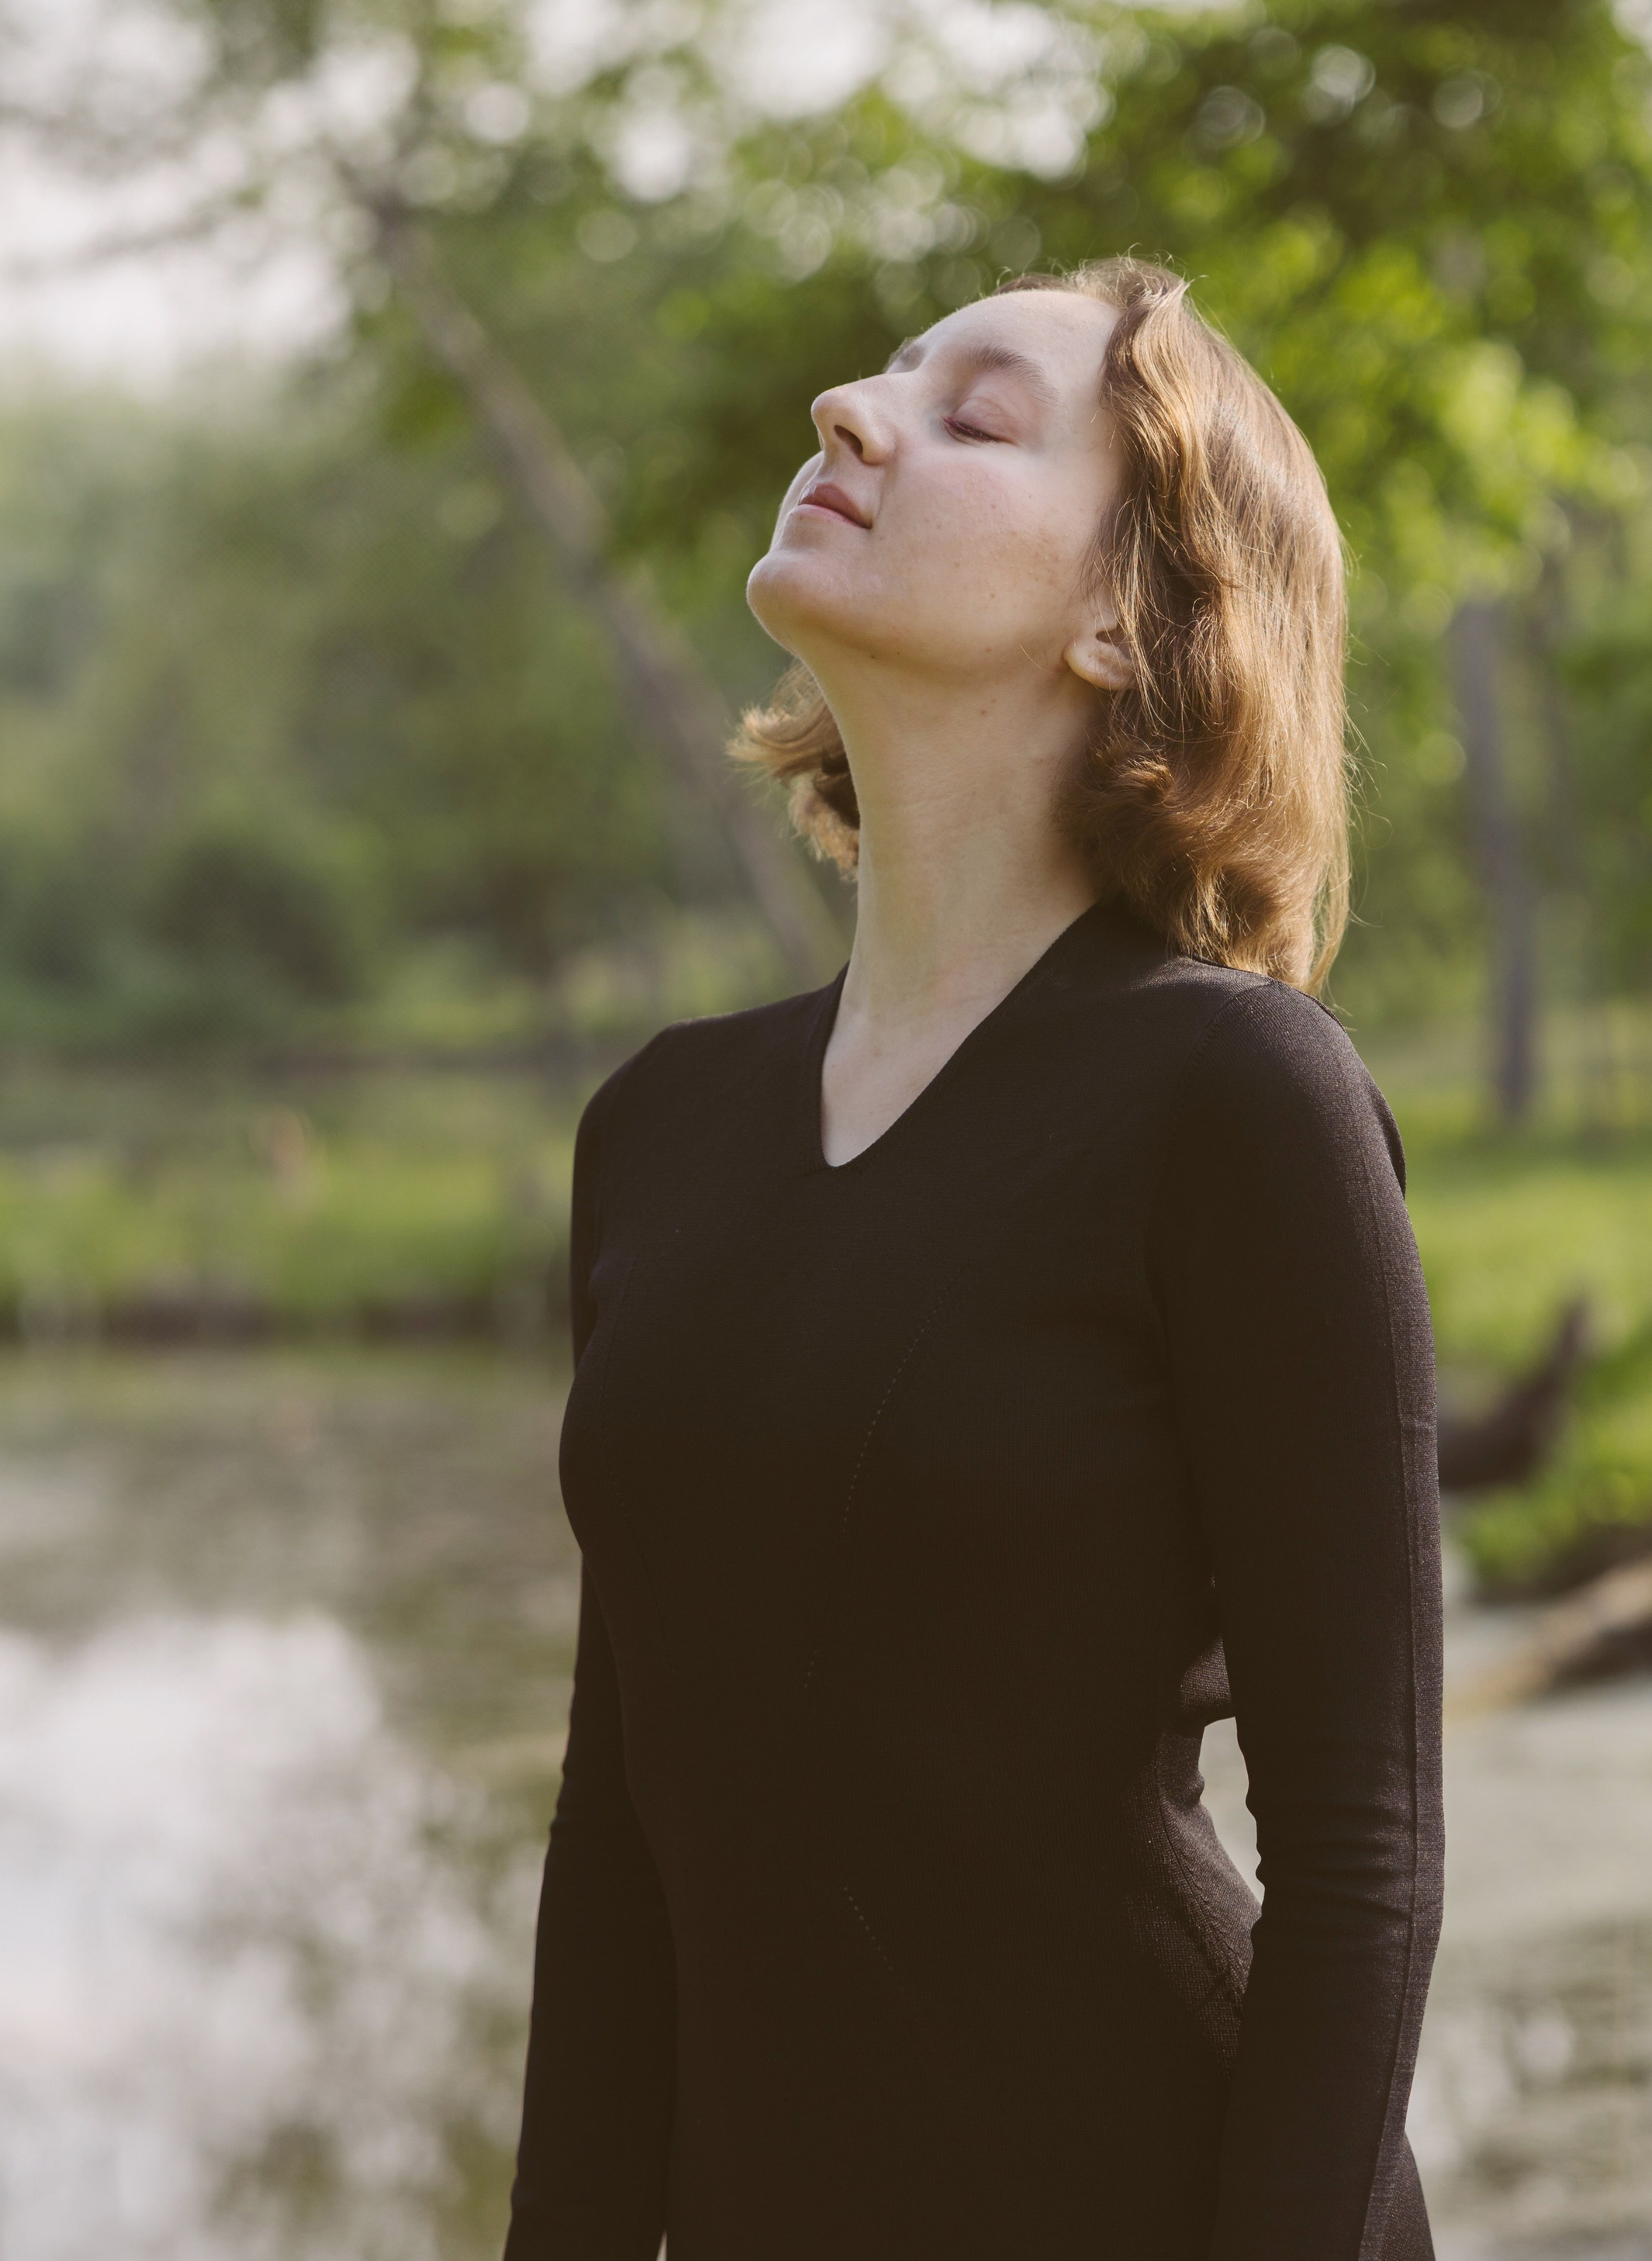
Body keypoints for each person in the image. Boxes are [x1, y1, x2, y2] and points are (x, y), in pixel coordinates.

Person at [503, 255, 1443, 2261]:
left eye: (976, 413)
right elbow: (621, 1838)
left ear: (1127, 617)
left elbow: (1363, 1863)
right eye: (880, 376)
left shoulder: (1242, 1100)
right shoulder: (660, 1127)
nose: (854, 409)